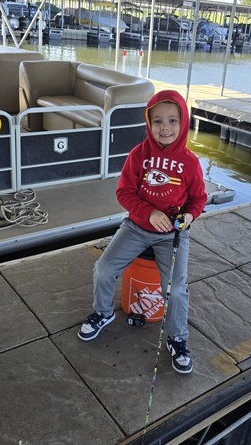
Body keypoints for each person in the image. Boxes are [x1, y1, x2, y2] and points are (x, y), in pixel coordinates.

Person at [78, 89, 207, 374]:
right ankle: (103, 312)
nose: (165, 127)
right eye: (157, 121)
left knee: (175, 290)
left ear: (183, 122)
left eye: (173, 121)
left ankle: (177, 338)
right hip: (136, 227)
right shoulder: (138, 155)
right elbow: (124, 192)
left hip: (172, 234)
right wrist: (148, 212)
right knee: (104, 269)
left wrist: (188, 216)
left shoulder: (190, 162)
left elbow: (199, 198)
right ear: (149, 123)